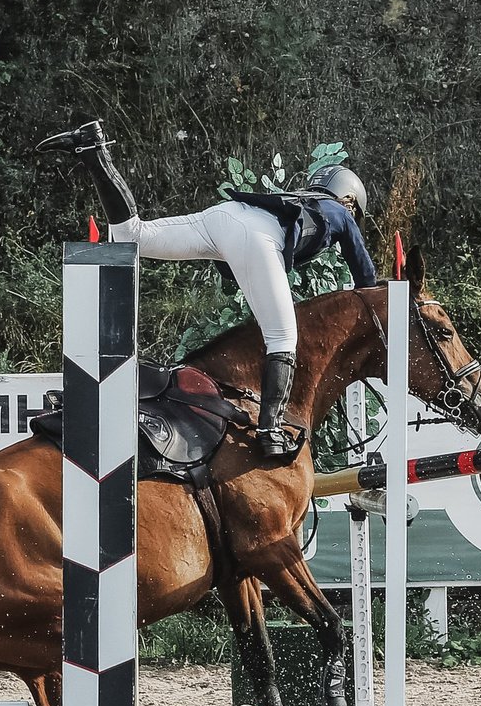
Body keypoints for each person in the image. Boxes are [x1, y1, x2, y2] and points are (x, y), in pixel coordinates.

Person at [37, 121, 377, 459]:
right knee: (283, 338)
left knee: (133, 236)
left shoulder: (294, 200)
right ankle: (271, 431)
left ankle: (94, 151)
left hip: (226, 216)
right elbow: (365, 275)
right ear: (349, 199)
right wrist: (375, 301)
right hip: (255, 236)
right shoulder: (340, 212)